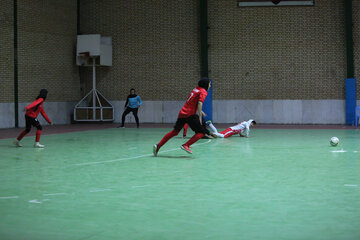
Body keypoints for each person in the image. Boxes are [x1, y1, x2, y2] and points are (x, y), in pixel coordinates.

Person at [153, 78, 211, 156]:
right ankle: (186, 145)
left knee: (175, 132)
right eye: (209, 84)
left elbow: (193, 102)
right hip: (190, 114)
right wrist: (200, 116)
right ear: (206, 84)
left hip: (182, 113)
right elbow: (200, 103)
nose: (210, 86)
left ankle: (158, 146)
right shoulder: (203, 91)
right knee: (201, 133)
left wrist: (200, 111)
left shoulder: (195, 89)